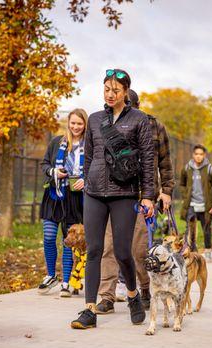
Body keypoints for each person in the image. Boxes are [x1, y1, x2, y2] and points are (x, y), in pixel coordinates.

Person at [70, 69, 154, 329]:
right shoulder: (95, 120)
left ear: (125, 92)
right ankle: (89, 310)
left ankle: (132, 295)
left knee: (122, 252)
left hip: (124, 193)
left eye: (115, 90)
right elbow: (90, 156)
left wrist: (148, 196)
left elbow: (148, 161)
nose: (110, 94)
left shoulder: (140, 120)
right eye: (106, 89)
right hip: (94, 193)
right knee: (94, 250)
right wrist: (88, 183)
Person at [96, 89, 174, 313]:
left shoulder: (153, 125)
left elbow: (165, 162)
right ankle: (107, 296)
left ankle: (146, 288)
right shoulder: (107, 124)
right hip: (114, 193)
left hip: (143, 196)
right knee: (108, 246)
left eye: (130, 104)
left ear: (137, 105)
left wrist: (166, 190)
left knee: (138, 249)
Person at [37, 109, 87, 297]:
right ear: (68, 123)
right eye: (73, 123)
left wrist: (86, 180)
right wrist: (54, 172)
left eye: (79, 124)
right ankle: (51, 275)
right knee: (49, 236)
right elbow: (44, 164)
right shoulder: (57, 142)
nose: (75, 127)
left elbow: (95, 169)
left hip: (74, 198)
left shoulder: (89, 145)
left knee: (68, 239)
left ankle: (66, 282)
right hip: (54, 195)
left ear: (85, 125)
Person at [180, 145, 212, 259]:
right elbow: (182, 184)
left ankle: (207, 252)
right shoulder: (187, 168)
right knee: (189, 229)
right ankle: (189, 252)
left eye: (201, 154)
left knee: (206, 229)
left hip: (206, 206)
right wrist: (186, 194)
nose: (198, 156)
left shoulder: (210, 169)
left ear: (204, 155)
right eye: (196, 154)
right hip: (191, 204)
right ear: (193, 155)